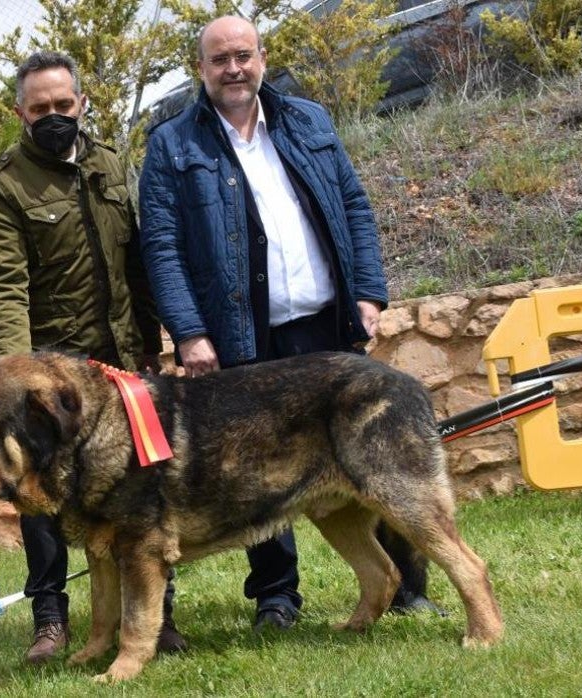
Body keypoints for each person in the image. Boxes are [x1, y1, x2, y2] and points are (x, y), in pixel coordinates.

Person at [137, 15, 440, 633]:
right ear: (202, 68)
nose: (233, 69)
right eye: (219, 59)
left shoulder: (310, 121)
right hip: (244, 335)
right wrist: (190, 333)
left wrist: (371, 293)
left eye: (243, 55)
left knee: (372, 457)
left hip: (327, 323)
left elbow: (353, 205)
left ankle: (409, 587)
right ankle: (277, 598)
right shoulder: (172, 144)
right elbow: (161, 248)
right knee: (254, 474)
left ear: (263, 58)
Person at [0, 50, 186, 664]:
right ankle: (50, 619)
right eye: (39, 108)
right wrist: (20, 378)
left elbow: (135, 264)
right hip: (52, 377)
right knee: (43, 496)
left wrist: (151, 342)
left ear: (82, 103)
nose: (53, 115)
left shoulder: (110, 164)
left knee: (143, 493)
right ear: (20, 111)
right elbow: (4, 285)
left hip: (120, 365)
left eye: (63, 105)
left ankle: (156, 616)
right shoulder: (3, 185)